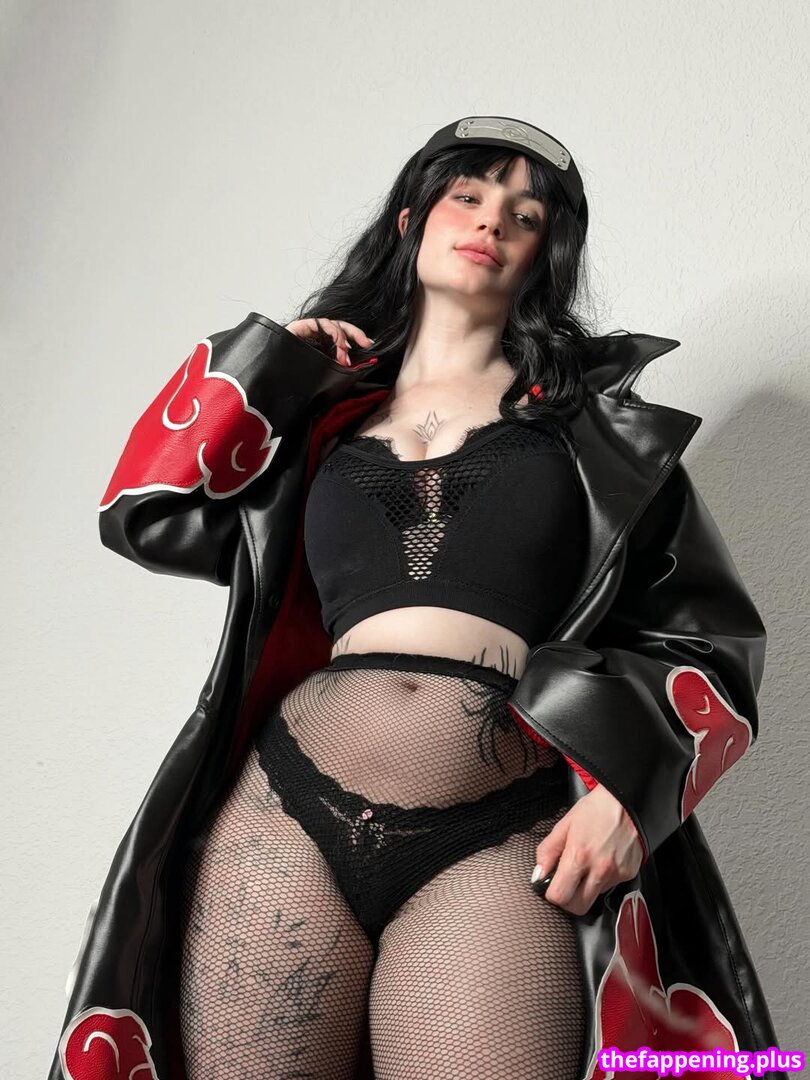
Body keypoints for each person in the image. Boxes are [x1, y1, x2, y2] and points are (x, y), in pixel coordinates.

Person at [49, 117, 785, 1080]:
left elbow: (711, 642)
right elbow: (145, 515)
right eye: (467, 197)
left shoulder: (603, 440)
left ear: (543, 256)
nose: (492, 221)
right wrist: (267, 369)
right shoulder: (314, 419)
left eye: (525, 214)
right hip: (281, 817)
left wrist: (631, 798)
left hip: (503, 833)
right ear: (412, 222)